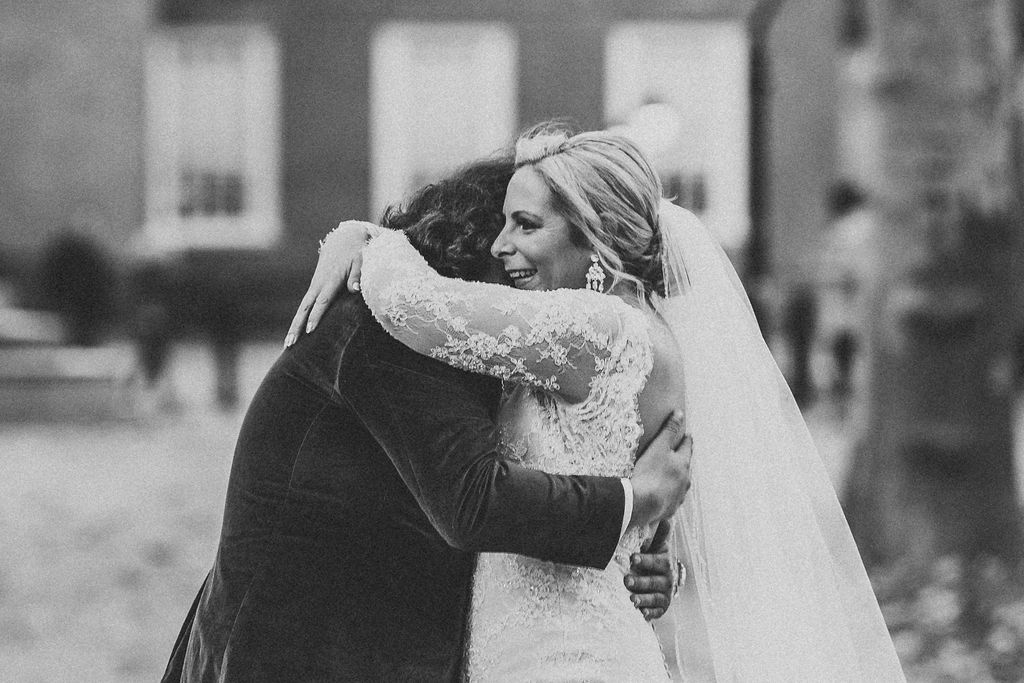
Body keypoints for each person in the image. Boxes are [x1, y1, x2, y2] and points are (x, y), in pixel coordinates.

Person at [295, 124, 906, 680]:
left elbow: (414, 308)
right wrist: (651, 562)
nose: (501, 246)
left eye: (526, 225)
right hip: (569, 643)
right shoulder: (651, 336)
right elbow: (649, 531)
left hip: (559, 658)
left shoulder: (596, 329)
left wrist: (365, 239)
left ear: (595, 237)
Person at [161, 156, 691, 682]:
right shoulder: (388, 335)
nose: (511, 260)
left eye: (527, 227)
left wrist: (640, 550)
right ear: (467, 251)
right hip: (297, 649)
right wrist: (632, 501)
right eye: (503, 238)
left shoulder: (543, 347)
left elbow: (617, 439)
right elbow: (474, 501)